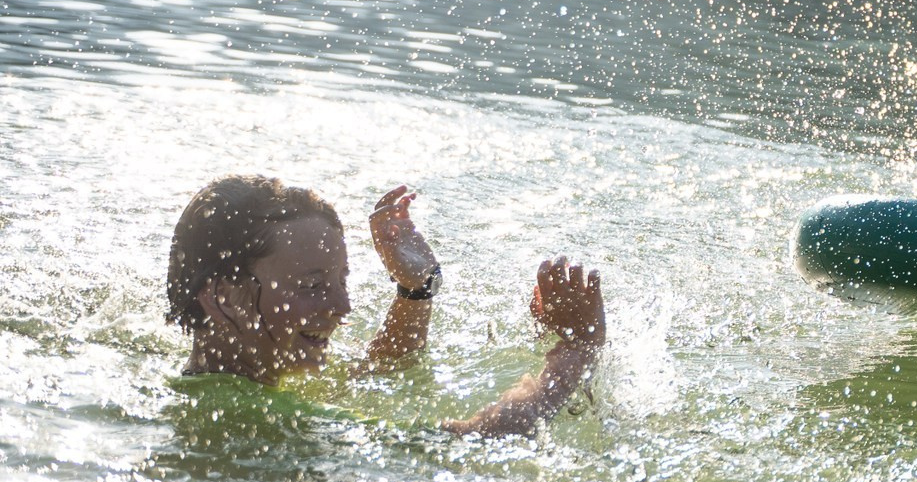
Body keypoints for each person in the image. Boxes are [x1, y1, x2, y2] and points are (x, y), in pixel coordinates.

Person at [166, 176, 606, 437]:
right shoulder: (244, 416)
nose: (343, 306)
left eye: (342, 281)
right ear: (223, 297)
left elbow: (377, 371)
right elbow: (473, 443)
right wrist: (572, 356)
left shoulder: (234, 385)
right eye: (313, 285)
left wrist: (415, 291)